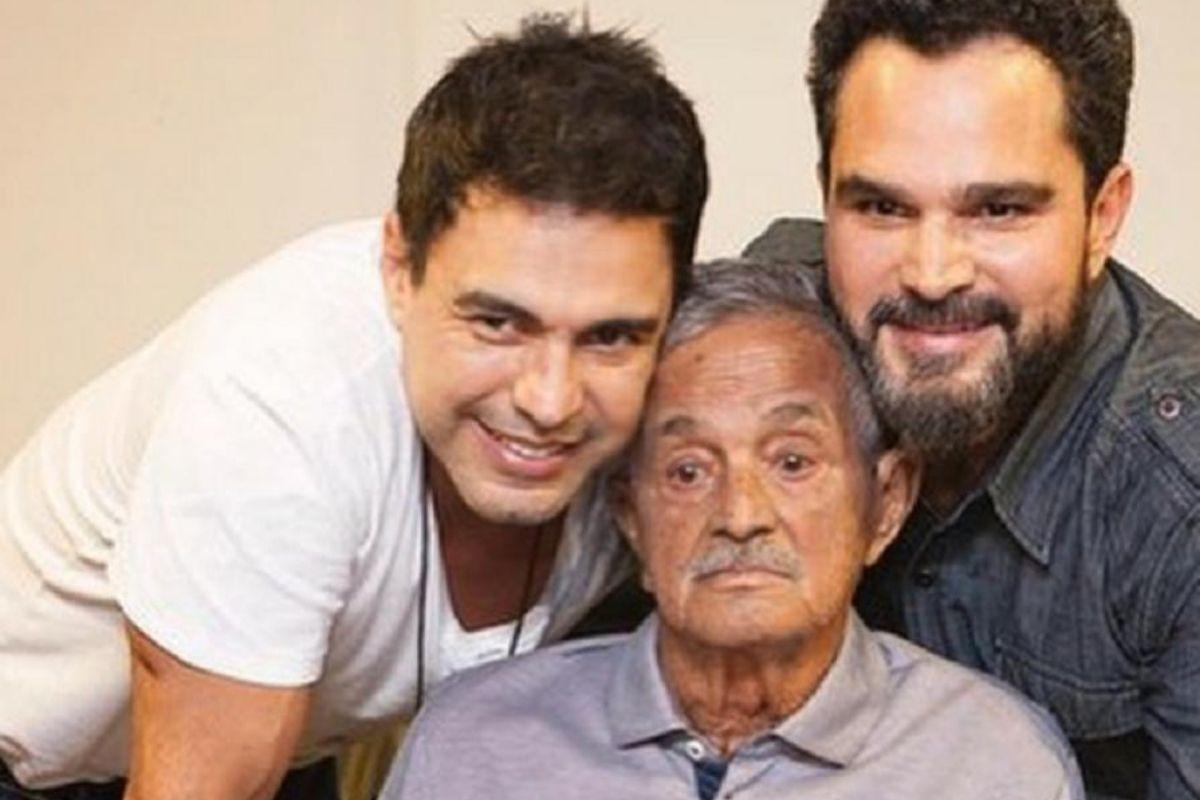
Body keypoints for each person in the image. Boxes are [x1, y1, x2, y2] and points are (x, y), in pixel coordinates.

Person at [0, 14, 707, 800]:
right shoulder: (281, 399)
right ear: (398, 268)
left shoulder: (687, 409)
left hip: (285, 737)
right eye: (497, 323)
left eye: (610, 336)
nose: (549, 400)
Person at [380, 259, 1083, 800]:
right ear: (631, 516)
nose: (741, 516)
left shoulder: (995, 763)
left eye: (792, 462)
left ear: (887, 502)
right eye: (688, 471)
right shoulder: (475, 743)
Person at [742, 0, 1200, 796]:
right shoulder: (761, 345)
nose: (931, 274)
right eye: (882, 207)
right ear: (827, 198)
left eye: (998, 210)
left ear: (1102, 216)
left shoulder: (1177, 497)